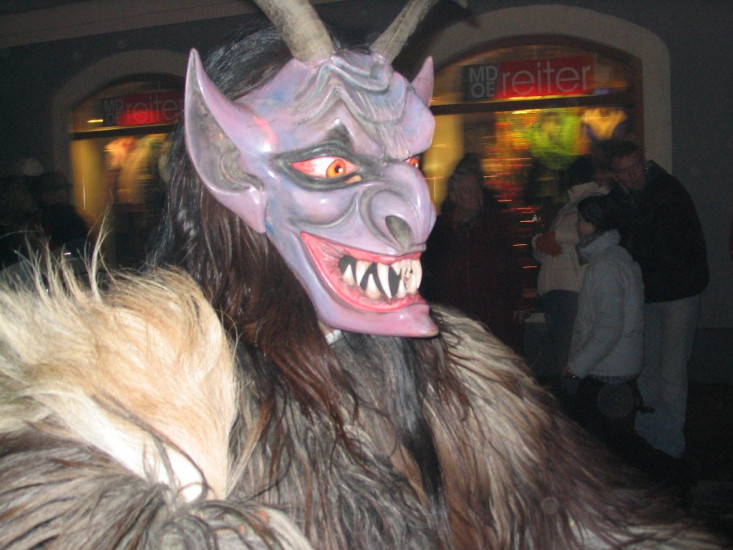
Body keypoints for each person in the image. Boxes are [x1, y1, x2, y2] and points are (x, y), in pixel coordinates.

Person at [0, 2, 724, 548]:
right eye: (332, 165)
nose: (417, 210)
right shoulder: (128, 427)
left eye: (406, 161)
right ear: (229, 168)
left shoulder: (460, 379)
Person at [608, 140, 709, 463]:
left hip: (678, 291)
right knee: (648, 368)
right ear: (616, 174)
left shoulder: (667, 191)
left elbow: (661, 242)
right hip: (649, 293)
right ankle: (650, 435)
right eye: (624, 171)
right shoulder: (621, 198)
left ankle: (669, 443)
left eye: (635, 167)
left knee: (671, 370)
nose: (632, 175)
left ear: (644, 162)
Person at [562, 193, 645, 461]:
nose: (577, 226)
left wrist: (576, 366)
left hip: (606, 373)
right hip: (617, 368)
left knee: (606, 451)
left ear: (594, 224)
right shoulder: (618, 258)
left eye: (581, 220)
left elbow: (608, 327)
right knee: (618, 446)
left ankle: (671, 476)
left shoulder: (605, 267)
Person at [422, 153, 523, 351]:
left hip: (492, 320)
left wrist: (517, 302)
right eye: (468, 190)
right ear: (454, 196)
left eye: (478, 190)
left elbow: (511, 268)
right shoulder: (439, 232)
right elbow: (430, 274)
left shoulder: (495, 228)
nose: (476, 196)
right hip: (454, 320)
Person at [532, 155, 607, 380]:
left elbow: (596, 232)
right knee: (563, 357)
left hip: (572, 290)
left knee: (569, 358)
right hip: (556, 291)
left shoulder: (595, 200)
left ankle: (574, 398)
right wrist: (540, 244)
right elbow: (550, 251)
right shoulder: (569, 205)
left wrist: (555, 237)